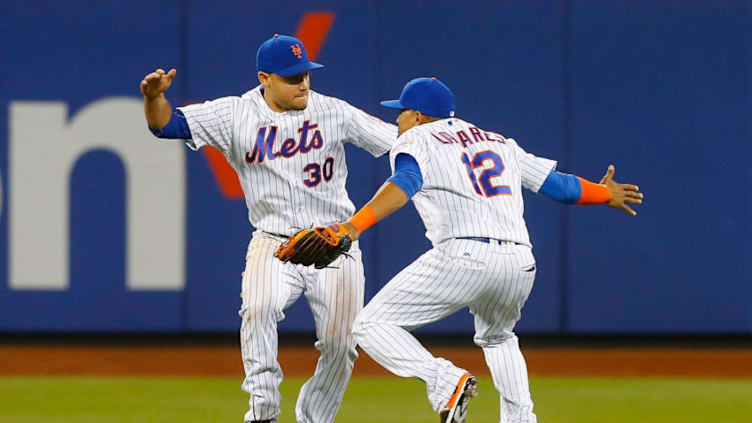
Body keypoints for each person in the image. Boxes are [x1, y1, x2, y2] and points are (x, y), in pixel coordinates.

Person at [327, 77, 643, 423]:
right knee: (499, 338)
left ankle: (444, 381)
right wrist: (603, 194)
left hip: (463, 255)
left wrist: (353, 226)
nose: (397, 120)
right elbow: (560, 187)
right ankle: (521, 419)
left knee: (371, 325)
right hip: (519, 261)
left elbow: (405, 183)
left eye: (400, 113)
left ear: (417, 115)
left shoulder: (416, 138)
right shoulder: (498, 141)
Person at [139, 34, 396, 423]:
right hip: (273, 242)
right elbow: (166, 126)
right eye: (292, 78)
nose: (304, 84)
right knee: (258, 309)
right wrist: (153, 98)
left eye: (306, 74)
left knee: (342, 344)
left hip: (335, 245)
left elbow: (400, 144)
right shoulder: (234, 113)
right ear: (265, 78)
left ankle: (315, 418)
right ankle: (263, 413)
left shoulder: (334, 111)